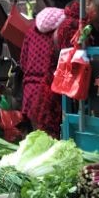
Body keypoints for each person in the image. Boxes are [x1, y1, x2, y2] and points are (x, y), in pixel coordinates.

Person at [19, 7, 66, 138]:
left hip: (30, 91)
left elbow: (23, 62)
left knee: (36, 137)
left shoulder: (31, 30)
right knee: (52, 138)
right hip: (50, 92)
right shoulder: (63, 31)